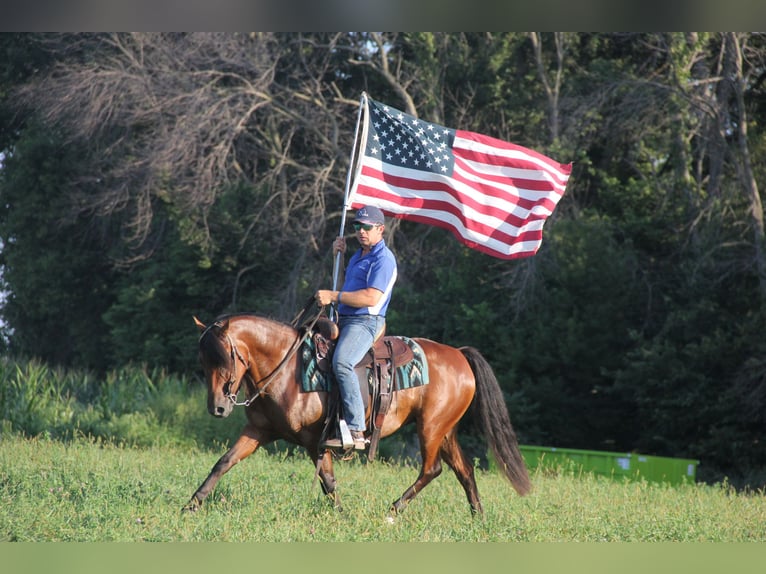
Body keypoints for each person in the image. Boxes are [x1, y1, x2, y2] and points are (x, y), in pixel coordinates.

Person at [315, 205, 398, 450]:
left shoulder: (383, 259)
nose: (361, 231)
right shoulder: (357, 256)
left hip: (366, 321)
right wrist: (337, 259)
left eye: (367, 227)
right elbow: (344, 288)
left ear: (380, 229)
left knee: (342, 362)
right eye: (357, 226)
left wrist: (333, 295)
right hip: (344, 318)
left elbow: (371, 298)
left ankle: (356, 429)